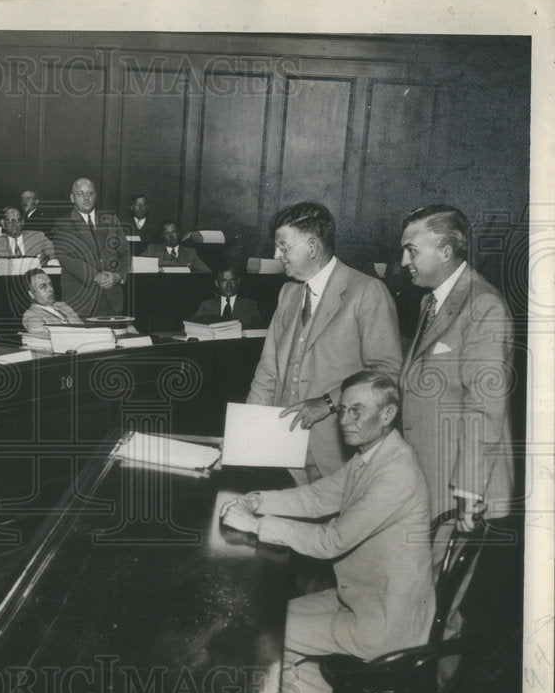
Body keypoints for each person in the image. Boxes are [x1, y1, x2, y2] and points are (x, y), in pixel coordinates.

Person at [218, 370, 434, 693]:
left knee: (264, 631)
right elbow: (318, 496)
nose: (346, 421)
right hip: (366, 599)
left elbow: (331, 540)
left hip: (383, 624)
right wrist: (257, 500)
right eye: (343, 410)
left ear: (387, 414)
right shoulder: (373, 455)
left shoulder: (396, 471)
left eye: (357, 411)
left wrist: (255, 525)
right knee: (270, 612)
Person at [246, 201, 402, 482]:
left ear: (312, 247)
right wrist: (251, 433)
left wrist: (329, 403)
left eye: (283, 247)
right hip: (281, 451)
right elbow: (268, 370)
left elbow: (387, 373)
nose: (276, 255)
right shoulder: (288, 294)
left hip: (336, 455)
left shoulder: (367, 291)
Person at [398, 205, 513, 543]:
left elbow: (485, 407)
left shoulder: (483, 305)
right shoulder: (430, 302)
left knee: (446, 592)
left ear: (445, 252)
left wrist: (468, 491)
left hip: (461, 490)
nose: (404, 261)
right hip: (431, 476)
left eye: (412, 251)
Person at [52, 177, 131, 317]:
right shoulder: (63, 224)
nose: (86, 198)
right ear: (72, 197)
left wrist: (117, 276)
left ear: (95, 196)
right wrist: (96, 276)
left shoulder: (111, 220)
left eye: (90, 193)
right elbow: (67, 258)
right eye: (81, 193)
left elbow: (125, 254)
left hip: (112, 299)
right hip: (80, 302)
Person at [195, 262, 263, 328]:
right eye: (224, 281)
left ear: (238, 281)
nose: (229, 286)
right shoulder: (206, 307)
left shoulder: (250, 306)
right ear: (217, 283)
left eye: (232, 280)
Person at [0, 206, 55, 274]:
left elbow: (54, 255)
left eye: (17, 220)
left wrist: (53, 261)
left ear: (22, 222)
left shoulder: (38, 236)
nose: (14, 223)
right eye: (9, 220)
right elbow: (0, 270)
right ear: (3, 223)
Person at [21, 268, 83, 334]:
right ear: (31, 294)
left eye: (50, 284)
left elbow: (83, 327)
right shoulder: (31, 315)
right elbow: (46, 339)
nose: (51, 289)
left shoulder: (63, 305)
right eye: (43, 287)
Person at [144, 220, 211, 272]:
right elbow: (137, 265)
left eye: (174, 232)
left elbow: (206, 272)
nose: (171, 236)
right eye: (167, 233)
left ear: (179, 233)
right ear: (162, 236)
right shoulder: (152, 250)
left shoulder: (190, 252)